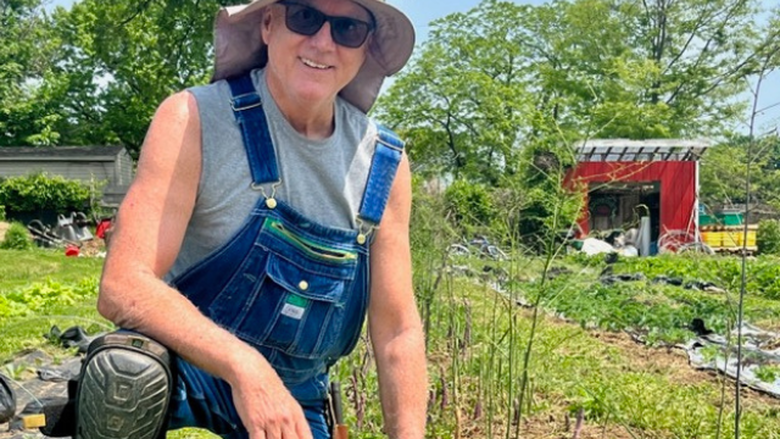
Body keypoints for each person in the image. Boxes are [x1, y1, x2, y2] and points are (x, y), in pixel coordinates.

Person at [68, 1, 427, 438]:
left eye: (347, 28)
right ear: (269, 24)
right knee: (125, 374)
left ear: (365, 45)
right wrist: (245, 367)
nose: (323, 42)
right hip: (189, 362)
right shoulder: (193, 118)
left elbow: (397, 332)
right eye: (306, 17)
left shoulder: (383, 164)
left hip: (298, 392)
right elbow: (124, 284)